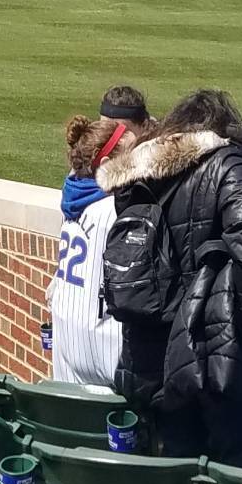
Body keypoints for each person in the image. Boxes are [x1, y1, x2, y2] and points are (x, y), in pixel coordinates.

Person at [96, 87, 242, 467]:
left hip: (149, 345)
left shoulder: (141, 167)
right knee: (232, 465)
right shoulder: (230, 163)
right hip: (213, 350)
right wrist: (241, 321)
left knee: (173, 460)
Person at [49, 86, 144, 388]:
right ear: (106, 165)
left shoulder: (72, 195)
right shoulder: (112, 210)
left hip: (65, 331)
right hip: (101, 342)